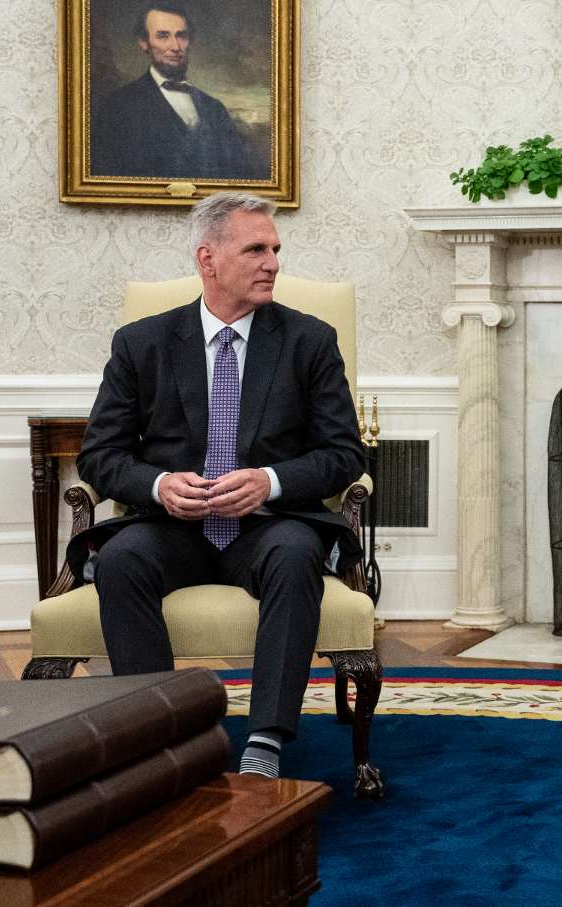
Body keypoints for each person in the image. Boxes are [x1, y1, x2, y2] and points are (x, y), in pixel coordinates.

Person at [67, 192, 364, 778]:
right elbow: (100, 456)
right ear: (208, 259)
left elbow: (343, 453)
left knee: (296, 551)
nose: (273, 262)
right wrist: (157, 485)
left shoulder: (310, 341)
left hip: (268, 527)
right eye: (256, 248)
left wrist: (271, 481)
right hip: (171, 528)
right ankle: (159, 735)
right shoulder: (141, 342)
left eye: (276, 249)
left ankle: (267, 742)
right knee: (122, 558)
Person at [91, 4, 266, 180]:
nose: (175, 46)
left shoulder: (214, 108)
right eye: (163, 36)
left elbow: (240, 176)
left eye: (181, 36)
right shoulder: (117, 106)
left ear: (189, 41)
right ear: (143, 43)